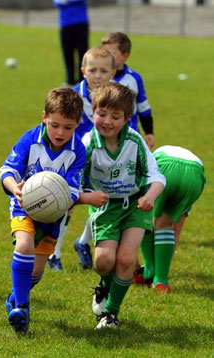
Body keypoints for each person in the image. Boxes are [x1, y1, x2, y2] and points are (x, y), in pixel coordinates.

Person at [0, 87, 86, 333]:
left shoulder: (78, 151)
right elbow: (7, 170)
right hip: (23, 205)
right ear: (44, 116)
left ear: (78, 124)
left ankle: (14, 298)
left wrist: (61, 201)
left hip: (53, 215)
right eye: (55, 125)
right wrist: (15, 188)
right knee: (24, 244)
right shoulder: (30, 139)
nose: (60, 132)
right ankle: (23, 309)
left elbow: (72, 189)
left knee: (37, 269)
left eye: (68, 127)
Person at [84, 82, 165, 329]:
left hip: (135, 205)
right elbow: (76, 180)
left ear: (127, 119)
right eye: (101, 114)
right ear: (93, 112)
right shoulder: (88, 143)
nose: (107, 121)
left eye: (115, 116)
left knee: (127, 258)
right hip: (105, 207)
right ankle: (104, 284)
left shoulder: (134, 141)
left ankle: (110, 314)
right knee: (104, 262)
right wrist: (86, 197)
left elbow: (157, 177)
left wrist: (150, 196)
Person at [48, 45, 115, 271]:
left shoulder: (117, 98)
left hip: (105, 161)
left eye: (103, 71)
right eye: (93, 70)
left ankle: (83, 241)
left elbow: (127, 125)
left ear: (113, 73)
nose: (98, 75)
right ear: (83, 71)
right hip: (76, 159)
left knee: (104, 198)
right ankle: (53, 254)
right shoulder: (73, 97)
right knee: (67, 203)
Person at [133, 145, 206, 292]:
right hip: (196, 174)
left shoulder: (154, 156)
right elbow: (176, 232)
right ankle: (161, 280)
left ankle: (149, 267)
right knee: (166, 226)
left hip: (164, 164)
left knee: (142, 216)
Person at [101, 32, 155, 149]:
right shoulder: (99, 79)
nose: (107, 57)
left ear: (125, 56)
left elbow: (143, 107)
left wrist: (148, 131)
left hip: (130, 136)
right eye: (104, 53)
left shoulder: (134, 79)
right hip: (104, 135)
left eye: (111, 54)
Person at [53, 0, 89, 86]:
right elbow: (57, 2)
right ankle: (70, 79)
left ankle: (82, 79)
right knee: (67, 52)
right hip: (65, 23)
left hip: (80, 22)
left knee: (82, 52)